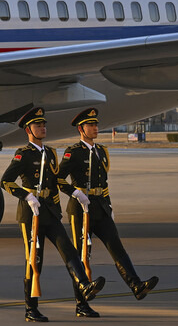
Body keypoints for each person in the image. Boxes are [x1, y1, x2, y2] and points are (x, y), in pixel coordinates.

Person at [0, 107, 106, 322]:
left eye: (44, 124)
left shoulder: (50, 153)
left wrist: (60, 204)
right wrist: (27, 197)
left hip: (49, 210)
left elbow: (55, 183)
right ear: (29, 130)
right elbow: (5, 181)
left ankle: (85, 287)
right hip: (31, 214)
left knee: (69, 251)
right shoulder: (23, 154)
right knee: (34, 261)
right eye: (38, 125)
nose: (43, 128)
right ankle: (31, 308)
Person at [57, 108, 159, 306]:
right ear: (81, 128)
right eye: (91, 125)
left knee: (116, 247)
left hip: (101, 207)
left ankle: (136, 285)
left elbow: (103, 184)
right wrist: (75, 193)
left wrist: (109, 207)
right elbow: (58, 179)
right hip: (80, 208)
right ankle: (82, 303)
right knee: (81, 255)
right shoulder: (73, 152)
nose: (95, 128)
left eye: (96, 125)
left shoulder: (102, 151)